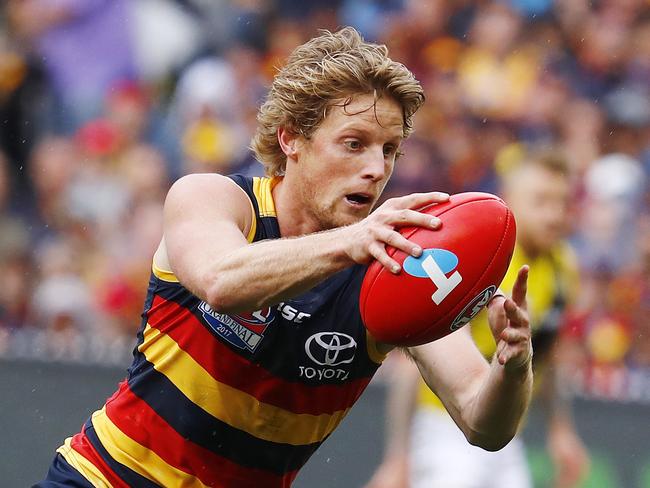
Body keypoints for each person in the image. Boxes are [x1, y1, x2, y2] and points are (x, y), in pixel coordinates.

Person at [36, 27, 533, 487]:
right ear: (291, 138)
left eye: (389, 150)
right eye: (354, 144)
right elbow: (221, 283)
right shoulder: (216, 199)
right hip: (104, 479)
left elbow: (481, 424)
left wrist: (511, 367)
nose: (375, 169)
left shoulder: (394, 266)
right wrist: (349, 243)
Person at [366, 145, 590, 488]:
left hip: (503, 431)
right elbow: (414, 361)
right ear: (509, 199)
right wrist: (398, 457)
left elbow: (545, 355)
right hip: (444, 425)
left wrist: (562, 430)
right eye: (542, 201)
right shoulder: (481, 260)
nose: (555, 214)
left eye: (562, 202)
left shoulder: (563, 267)